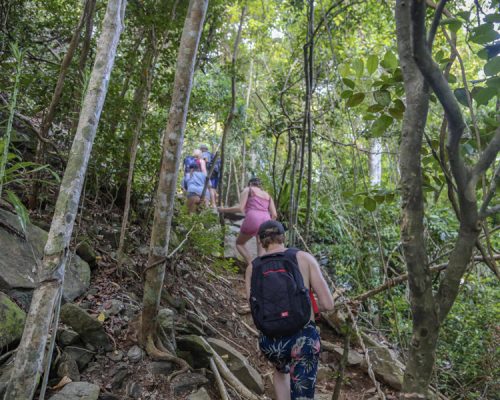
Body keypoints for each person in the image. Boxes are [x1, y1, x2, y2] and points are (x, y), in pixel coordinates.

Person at [245, 220, 334, 400]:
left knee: (281, 369)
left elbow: (253, 307)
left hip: (271, 342)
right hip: (302, 339)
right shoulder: (303, 258)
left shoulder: (252, 267)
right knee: (302, 393)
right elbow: (327, 304)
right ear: (283, 237)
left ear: (261, 241)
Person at [218, 177, 277, 263]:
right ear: (260, 186)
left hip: (253, 218)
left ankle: (251, 264)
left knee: (239, 243)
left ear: (250, 184)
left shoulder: (248, 190)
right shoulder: (268, 195)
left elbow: (240, 208)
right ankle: (259, 269)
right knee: (261, 251)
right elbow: (274, 214)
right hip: (266, 220)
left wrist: (223, 210)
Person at [184, 149, 210, 213]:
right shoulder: (204, 175)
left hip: (192, 192)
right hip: (204, 193)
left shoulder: (188, 175)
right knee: (204, 214)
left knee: (190, 214)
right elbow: (209, 184)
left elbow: (185, 186)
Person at [200, 143, 219, 208]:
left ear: (202, 149)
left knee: (209, 188)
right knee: (213, 189)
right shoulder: (211, 154)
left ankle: (208, 205)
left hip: (209, 173)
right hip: (215, 173)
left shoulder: (204, 154)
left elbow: (205, 161)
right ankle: (214, 205)